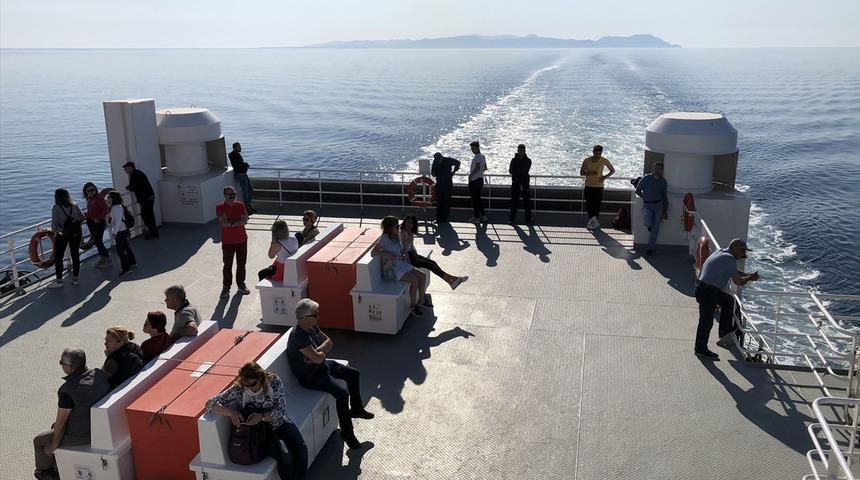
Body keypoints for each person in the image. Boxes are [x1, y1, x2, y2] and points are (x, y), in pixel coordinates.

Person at [287, 299, 373, 450]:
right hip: (310, 377)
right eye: (315, 314)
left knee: (353, 373)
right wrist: (318, 355)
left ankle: (356, 409)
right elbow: (319, 358)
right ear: (304, 318)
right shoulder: (298, 337)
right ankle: (348, 434)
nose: (318, 316)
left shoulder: (311, 327)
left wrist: (317, 352)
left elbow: (329, 343)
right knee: (342, 394)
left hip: (320, 367)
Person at [207, 362, 307, 480]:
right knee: (286, 459)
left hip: (279, 423)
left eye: (252, 384)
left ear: (260, 377)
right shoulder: (239, 389)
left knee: (301, 449)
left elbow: (280, 411)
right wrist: (231, 412)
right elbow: (210, 404)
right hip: (260, 433)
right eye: (246, 385)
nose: (249, 388)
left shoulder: (274, 382)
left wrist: (262, 417)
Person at [33, 349, 109, 480]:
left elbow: (61, 424)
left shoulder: (67, 391)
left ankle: (46, 473)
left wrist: (53, 446)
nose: (61, 364)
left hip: (83, 435)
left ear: (70, 367)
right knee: (53, 426)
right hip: (102, 427)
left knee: (39, 441)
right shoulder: (99, 374)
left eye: (62, 363)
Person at [694, 238, 760, 360]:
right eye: (742, 251)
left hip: (703, 287)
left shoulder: (720, 252)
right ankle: (700, 349)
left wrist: (746, 274)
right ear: (735, 249)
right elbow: (738, 282)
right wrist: (750, 278)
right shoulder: (729, 258)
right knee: (706, 322)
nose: (744, 254)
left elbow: (733, 271)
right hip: (708, 291)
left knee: (728, 300)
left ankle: (724, 330)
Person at [371, 216, 428, 316]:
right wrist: (386, 254)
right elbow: (373, 252)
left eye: (398, 226)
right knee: (414, 280)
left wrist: (408, 261)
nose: (399, 228)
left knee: (422, 275)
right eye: (396, 227)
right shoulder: (384, 238)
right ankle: (413, 306)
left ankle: (421, 301)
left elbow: (403, 251)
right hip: (392, 268)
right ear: (389, 228)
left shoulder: (396, 236)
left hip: (401, 264)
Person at [400, 215, 468, 291]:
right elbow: (403, 248)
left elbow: (411, 246)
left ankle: (451, 281)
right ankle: (452, 280)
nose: (409, 225)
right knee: (430, 265)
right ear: (405, 222)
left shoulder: (410, 232)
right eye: (408, 222)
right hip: (408, 257)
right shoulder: (402, 232)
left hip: (412, 254)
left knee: (433, 263)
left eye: (412, 223)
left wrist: (415, 253)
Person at [217, 186, 250, 298]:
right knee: (228, 265)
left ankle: (241, 285)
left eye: (234, 194)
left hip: (242, 240)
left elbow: (245, 220)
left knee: (241, 264)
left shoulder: (240, 205)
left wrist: (231, 223)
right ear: (225, 195)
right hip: (227, 242)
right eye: (230, 195)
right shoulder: (220, 207)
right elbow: (223, 223)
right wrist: (237, 222)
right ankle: (226, 287)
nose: (232, 197)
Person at [48, 188, 85, 288]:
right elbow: (82, 218)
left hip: (63, 236)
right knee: (75, 256)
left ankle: (59, 281)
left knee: (59, 258)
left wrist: (61, 229)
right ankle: (76, 279)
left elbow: (54, 227)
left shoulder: (56, 208)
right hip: (75, 234)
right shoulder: (74, 205)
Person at [634, 162, 669, 256]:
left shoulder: (663, 181)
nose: (658, 171)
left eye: (660, 169)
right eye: (656, 168)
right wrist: (644, 197)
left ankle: (650, 249)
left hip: (659, 206)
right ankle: (649, 226)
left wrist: (665, 210)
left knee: (655, 229)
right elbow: (637, 190)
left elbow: (665, 196)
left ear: (662, 170)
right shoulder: (646, 178)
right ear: (653, 168)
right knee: (648, 223)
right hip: (647, 205)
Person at [579, 145, 615, 230]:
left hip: (599, 186)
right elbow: (581, 172)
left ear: (601, 152)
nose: (597, 155)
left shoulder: (604, 160)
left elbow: (612, 170)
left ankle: (594, 222)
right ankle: (594, 221)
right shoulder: (587, 160)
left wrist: (604, 177)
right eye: (596, 152)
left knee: (596, 205)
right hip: (588, 186)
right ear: (593, 151)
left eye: (599, 153)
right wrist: (590, 173)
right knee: (589, 205)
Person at [122, 161, 158, 239]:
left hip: (145, 198)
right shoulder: (138, 173)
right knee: (149, 215)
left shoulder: (134, 175)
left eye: (126, 169)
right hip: (149, 196)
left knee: (146, 215)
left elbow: (133, 187)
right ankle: (154, 232)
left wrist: (129, 187)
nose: (125, 171)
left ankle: (153, 233)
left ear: (131, 168)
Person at [82, 182, 112, 269]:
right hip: (91, 222)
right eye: (89, 190)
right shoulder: (89, 199)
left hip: (99, 223)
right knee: (96, 241)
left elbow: (105, 209)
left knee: (98, 241)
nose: (91, 192)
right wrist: (86, 215)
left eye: (93, 190)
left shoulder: (99, 198)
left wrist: (98, 218)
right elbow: (92, 210)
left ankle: (107, 258)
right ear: (86, 191)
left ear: (95, 189)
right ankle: (103, 258)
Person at [107, 191, 136, 277]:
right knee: (126, 247)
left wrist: (114, 233)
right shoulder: (118, 207)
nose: (107, 199)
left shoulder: (115, 208)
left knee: (120, 251)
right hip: (123, 230)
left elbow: (118, 221)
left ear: (113, 198)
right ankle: (132, 262)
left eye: (109, 197)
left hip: (120, 231)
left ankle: (126, 269)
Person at [431, 152, 460, 223]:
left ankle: (445, 218)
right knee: (439, 202)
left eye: (439, 160)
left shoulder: (448, 160)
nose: (438, 161)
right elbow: (433, 171)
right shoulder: (435, 161)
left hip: (447, 184)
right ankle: (438, 218)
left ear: (441, 157)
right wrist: (433, 173)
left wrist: (454, 171)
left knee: (446, 201)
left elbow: (458, 162)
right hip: (440, 184)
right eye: (437, 160)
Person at [228, 142, 256, 215]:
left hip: (240, 174)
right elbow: (239, 165)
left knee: (247, 190)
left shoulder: (232, 155)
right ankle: (246, 208)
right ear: (234, 147)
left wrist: (244, 164)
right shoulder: (236, 155)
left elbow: (238, 165)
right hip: (242, 175)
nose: (240, 148)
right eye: (238, 147)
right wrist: (245, 164)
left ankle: (247, 207)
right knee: (246, 192)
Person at [508, 144, 532, 224]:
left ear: (524, 151)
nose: (519, 152)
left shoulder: (528, 160)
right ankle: (511, 219)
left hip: (524, 184)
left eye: (521, 151)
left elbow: (525, 171)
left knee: (527, 203)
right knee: (514, 203)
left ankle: (528, 219)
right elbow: (510, 171)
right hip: (515, 184)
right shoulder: (513, 160)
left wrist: (517, 171)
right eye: (518, 151)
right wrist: (520, 171)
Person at [467, 141, 488, 224]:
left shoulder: (478, 157)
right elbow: (485, 168)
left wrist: (471, 176)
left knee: (475, 200)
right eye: (471, 149)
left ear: (478, 147)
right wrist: (479, 173)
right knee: (478, 199)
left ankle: (477, 217)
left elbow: (478, 167)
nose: (472, 150)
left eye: (473, 148)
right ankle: (483, 216)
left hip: (475, 181)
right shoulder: (482, 156)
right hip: (480, 179)